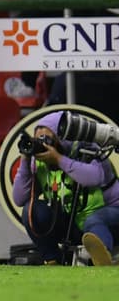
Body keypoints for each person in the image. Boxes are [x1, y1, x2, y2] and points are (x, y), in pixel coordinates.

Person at [12, 111, 119, 266]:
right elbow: (19, 199)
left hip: (111, 213)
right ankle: (52, 260)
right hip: (74, 224)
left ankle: (104, 257)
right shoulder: (40, 163)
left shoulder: (87, 149)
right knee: (32, 209)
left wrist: (59, 159)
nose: (43, 145)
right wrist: (25, 161)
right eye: (38, 140)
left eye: (47, 139)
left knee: (94, 220)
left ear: (61, 139)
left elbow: (94, 177)